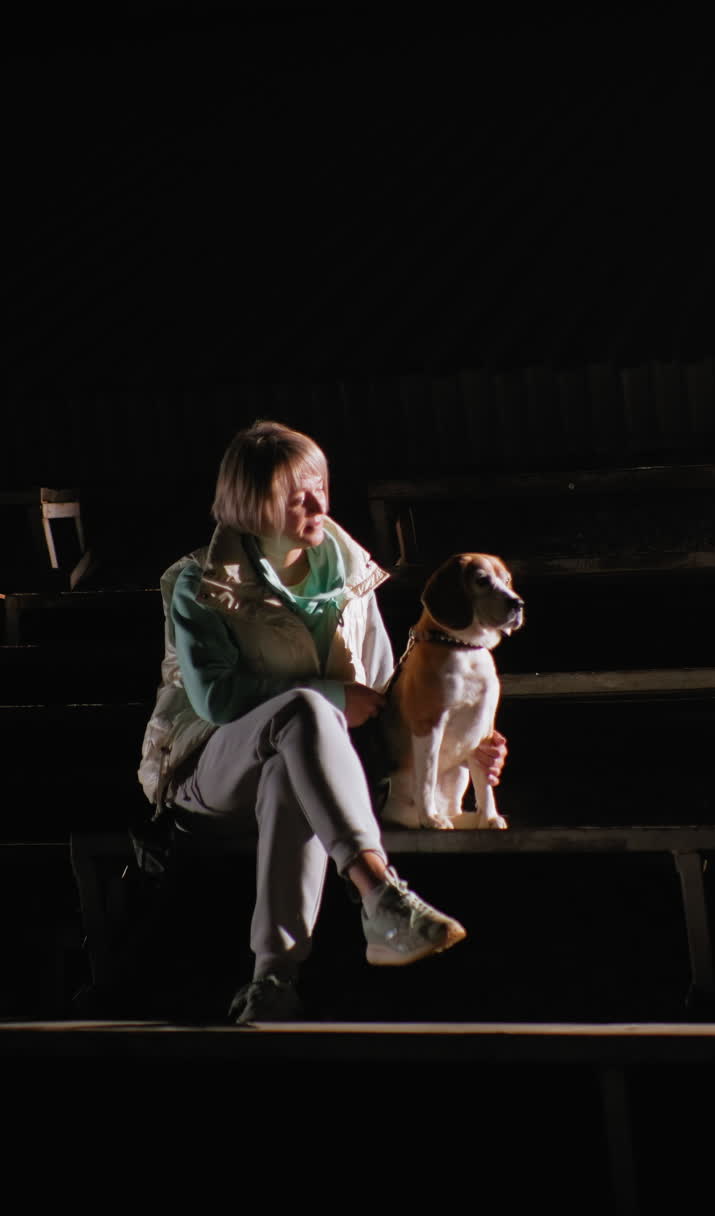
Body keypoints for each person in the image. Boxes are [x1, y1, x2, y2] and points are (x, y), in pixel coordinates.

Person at [138, 420, 507, 1022]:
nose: (316, 503)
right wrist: (330, 692)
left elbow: (387, 695)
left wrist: (464, 751)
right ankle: (381, 895)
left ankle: (273, 981)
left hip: (303, 762)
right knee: (307, 710)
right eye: (294, 493)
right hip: (206, 764)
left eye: (320, 486)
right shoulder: (198, 584)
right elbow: (215, 700)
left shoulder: (350, 575)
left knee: (295, 769)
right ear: (250, 500)